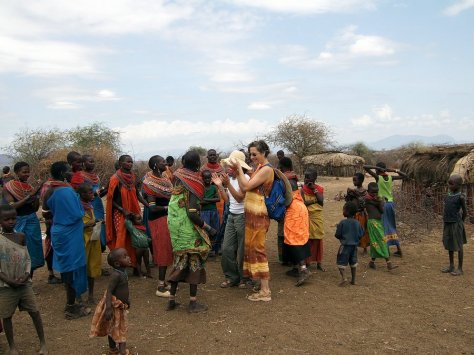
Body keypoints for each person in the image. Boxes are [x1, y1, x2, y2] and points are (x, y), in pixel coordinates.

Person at [166, 150, 217, 313]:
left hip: (176, 228)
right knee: (195, 261)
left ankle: (171, 300)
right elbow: (193, 213)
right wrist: (209, 228)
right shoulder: (193, 183)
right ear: (197, 164)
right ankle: (193, 303)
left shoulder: (177, 177)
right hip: (188, 229)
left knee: (179, 261)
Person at [42, 161, 89, 319]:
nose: (71, 172)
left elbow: (45, 213)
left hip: (59, 231)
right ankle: (70, 307)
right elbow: (78, 213)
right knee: (72, 268)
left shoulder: (49, 190)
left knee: (67, 267)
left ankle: (74, 301)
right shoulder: (66, 191)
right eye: (69, 170)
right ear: (62, 174)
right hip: (70, 233)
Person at [229, 140, 274, 302]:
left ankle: (265, 291)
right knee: (254, 249)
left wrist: (239, 169)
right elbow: (244, 185)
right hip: (252, 214)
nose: (252, 157)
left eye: (255, 154)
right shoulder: (258, 169)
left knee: (259, 249)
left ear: (264, 153)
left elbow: (246, 187)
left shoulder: (266, 170)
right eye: (250, 154)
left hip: (259, 214)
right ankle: (262, 286)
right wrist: (239, 171)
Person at [0, 204, 47, 355]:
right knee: (7, 316)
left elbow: (27, 258)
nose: (11, 222)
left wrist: (27, 275)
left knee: (35, 312)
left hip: (24, 283)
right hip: (6, 286)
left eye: (13, 218)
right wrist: (9, 280)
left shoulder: (21, 236)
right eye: (6, 219)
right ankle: (12, 346)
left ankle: (43, 343)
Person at [211, 150, 251, 288]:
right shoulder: (231, 179)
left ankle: (244, 278)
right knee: (227, 248)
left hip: (243, 216)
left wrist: (226, 184)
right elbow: (227, 200)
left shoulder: (245, 179)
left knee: (242, 250)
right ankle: (231, 276)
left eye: (230, 166)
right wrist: (220, 186)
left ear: (238, 166)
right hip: (232, 216)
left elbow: (240, 198)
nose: (227, 168)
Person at [2, 162, 45, 276]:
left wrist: (36, 195)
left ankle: (29, 279)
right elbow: (12, 207)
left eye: (28, 172)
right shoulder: (9, 187)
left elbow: (35, 208)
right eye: (24, 172)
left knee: (32, 249)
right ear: (16, 172)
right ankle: (17, 277)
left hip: (32, 220)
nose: (27, 174)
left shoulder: (29, 187)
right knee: (18, 249)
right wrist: (30, 196)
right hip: (17, 221)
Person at [106, 155, 149, 269]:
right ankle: (119, 266)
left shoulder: (133, 177)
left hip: (133, 212)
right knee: (122, 237)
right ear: (120, 164)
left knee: (135, 238)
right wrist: (122, 210)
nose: (130, 164)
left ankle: (134, 264)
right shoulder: (115, 179)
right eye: (127, 162)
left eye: (131, 162)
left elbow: (137, 195)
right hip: (120, 213)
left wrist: (147, 205)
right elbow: (111, 200)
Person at [142, 156, 173, 295]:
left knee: (167, 249)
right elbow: (152, 208)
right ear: (155, 165)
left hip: (166, 218)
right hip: (158, 219)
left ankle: (164, 282)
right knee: (162, 250)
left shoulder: (165, 178)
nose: (165, 163)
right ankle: (160, 287)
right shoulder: (149, 183)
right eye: (162, 162)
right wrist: (169, 208)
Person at [90, 248, 131, 355]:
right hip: (114, 307)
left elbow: (124, 290)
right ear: (117, 263)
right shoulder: (116, 275)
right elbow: (109, 291)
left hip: (121, 305)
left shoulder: (123, 272)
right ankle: (121, 351)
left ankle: (113, 349)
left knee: (113, 327)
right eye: (125, 257)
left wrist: (127, 301)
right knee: (120, 328)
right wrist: (108, 308)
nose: (129, 258)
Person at [364, 162, 407, 257]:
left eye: (376, 169)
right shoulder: (391, 178)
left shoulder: (378, 177)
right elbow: (405, 176)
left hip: (382, 204)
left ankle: (386, 250)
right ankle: (399, 250)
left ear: (378, 170)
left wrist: (377, 167)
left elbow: (365, 167)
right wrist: (394, 170)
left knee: (383, 226)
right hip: (391, 204)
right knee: (391, 225)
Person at [71, 155, 108, 252]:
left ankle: (99, 250)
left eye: (93, 161)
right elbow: (79, 193)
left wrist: (107, 189)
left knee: (99, 226)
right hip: (86, 206)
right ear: (83, 163)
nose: (92, 163)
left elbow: (99, 194)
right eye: (90, 162)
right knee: (90, 228)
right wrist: (95, 193)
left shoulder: (96, 176)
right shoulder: (79, 176)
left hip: (98, 204)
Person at [282, 177, 311, 287]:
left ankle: (303, 270)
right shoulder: (298, 193)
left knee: (294, 241)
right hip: (301, 211)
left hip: (295, 214)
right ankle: (295, 268)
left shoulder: (289, 197)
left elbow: (285, 203)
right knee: (297, 239)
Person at [78, 183, 102, 304]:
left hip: (93, 239)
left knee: (92, 267)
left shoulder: (89, 206)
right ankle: (78, 296)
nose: (92, 194)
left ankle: (91, 295)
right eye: (89, 192)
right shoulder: (77, 207)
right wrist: (89, 224)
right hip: (82, 241)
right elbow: (75, 226)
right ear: (82, 194)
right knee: (81, 268)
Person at [365, 182, 397, 270]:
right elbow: (380, 207)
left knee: (376, 242)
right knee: (382, 241)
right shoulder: (368, 199)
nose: (375, 194)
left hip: (378, 222)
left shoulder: (375, 199)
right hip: (373, 223)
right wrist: (381, 201)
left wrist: (381, 201)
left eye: (376, 192)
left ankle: (372, 262)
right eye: (373, 192)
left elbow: (382, 211)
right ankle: (388, 263)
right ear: (368, 191)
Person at [441, 174, 467, 276]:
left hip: (456, 223)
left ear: (458, 185)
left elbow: (465, 212)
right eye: (449, 183)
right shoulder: (448, 195)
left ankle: (460, 268)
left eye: (451, 184)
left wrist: (460, 223)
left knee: (459, 245)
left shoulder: (461, 197)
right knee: (449, 244)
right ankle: (451, 265)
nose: (449, 185)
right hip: (447, 223)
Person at [301, 169, 325, 271]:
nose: (306, 179)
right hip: (306, 216)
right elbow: (303, 204)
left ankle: (319, 263)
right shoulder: (302, 190)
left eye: (308, 177)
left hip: (317, 217)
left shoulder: (319, 189)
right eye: (305, 177)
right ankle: (308, 261)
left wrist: (314, 189)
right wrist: (314, 200)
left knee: (318, 239)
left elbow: (321, 201)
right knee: (307, 239)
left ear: (314, 178)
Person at [335, 202, 364, 286]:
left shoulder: (342, 223)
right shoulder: (357, 223)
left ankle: (344, 278)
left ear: (347, 211)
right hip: (354, 247)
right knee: (353, 263)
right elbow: (361, 234)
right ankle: (353, 280)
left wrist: (341, 237)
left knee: (340, 262)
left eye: (344, 209)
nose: (343, 211)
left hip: (345, 246)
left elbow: (337, 235)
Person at [277, 157, 297, 264]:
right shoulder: (293, 178)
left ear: (282, 166)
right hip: (294, 210)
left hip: (285, 209)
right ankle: (289, 258)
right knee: (289, 234)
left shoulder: (284, 179)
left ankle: (285, 259)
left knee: (282, 235)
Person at [346, 173, 370, 254]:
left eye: (355, 180)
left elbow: (363, 204)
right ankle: (354, 247)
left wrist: (356, 195)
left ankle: (364, 248)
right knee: (353, 231)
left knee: (362, 231)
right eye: (353, 180)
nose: (354, 181)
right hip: (354, 214)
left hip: (361, 213)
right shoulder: (354, 191)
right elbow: (349, 202)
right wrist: (348, 195)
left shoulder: (364, 192)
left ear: (361, 180)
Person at [124, 214, 152, 278]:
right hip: (138, 248)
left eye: (141, 218)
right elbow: (126, 222)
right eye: (138, 219)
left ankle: (149, 273)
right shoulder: (133, 229)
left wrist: (148, 239)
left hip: (146, 248)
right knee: (138, 262)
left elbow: (144, 236)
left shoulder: (143, 228)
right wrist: (129, 215)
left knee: (147, 262)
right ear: (133, 221)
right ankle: (140, 275)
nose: (141, 220)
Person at [201, 170, 221, 256]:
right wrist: (211, 200)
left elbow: (218, 199)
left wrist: (206, 199)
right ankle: (207, 249)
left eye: (209, 178)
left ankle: (214, 249)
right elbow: (200, 201)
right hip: (204, 212)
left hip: (213, 211)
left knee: (215, 229)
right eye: (205, 178)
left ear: (211, 178)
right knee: (206, 230)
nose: (207, 179)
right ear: (202, 178)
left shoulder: (214, 187)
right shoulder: (201, 188)